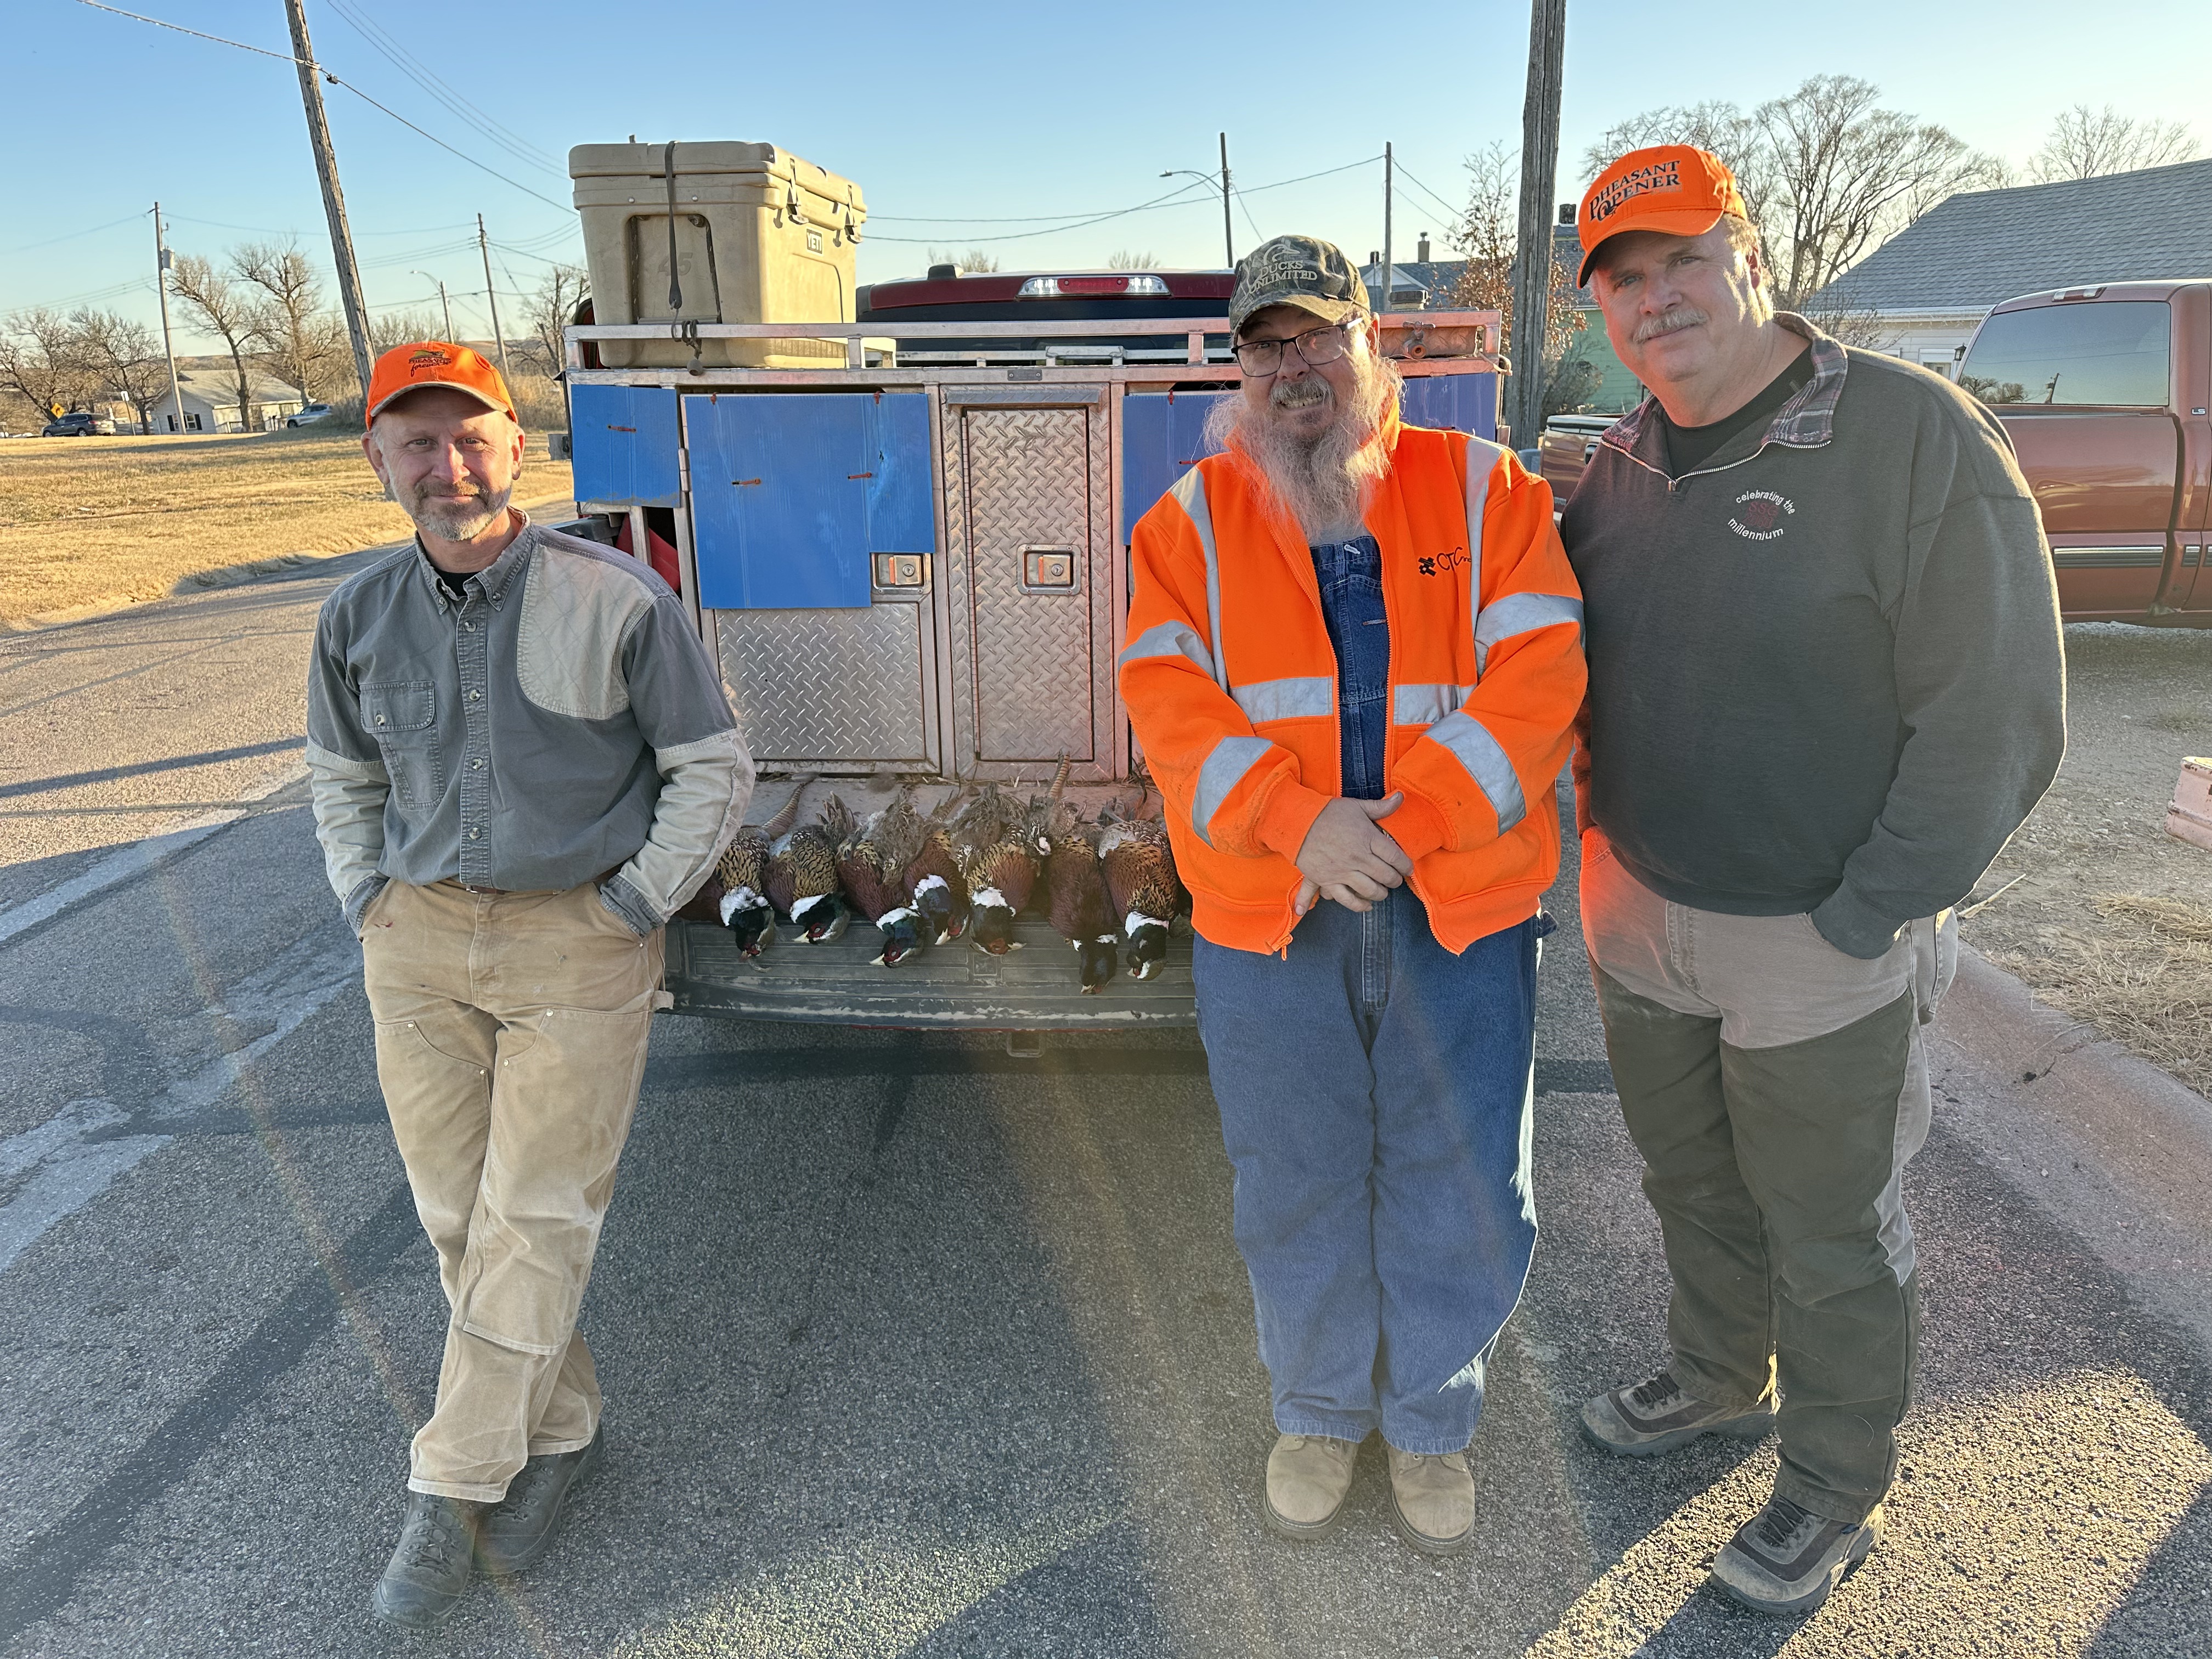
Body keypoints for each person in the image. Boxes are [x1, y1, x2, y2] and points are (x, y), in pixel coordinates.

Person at [1559, 147, 2065, 1613]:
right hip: (1641, 912)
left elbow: (1999, 711)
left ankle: (1835, 1482)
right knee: (1691, 1182)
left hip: (1817, 933)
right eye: (1623, 279)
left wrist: (1874, 907)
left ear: (1753, 256)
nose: (1657, 299)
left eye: (1683, 260)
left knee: (1830, 1228)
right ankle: (1720, 1375)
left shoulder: (1910, 436)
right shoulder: (1623, 460)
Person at [1119, 236, 1585, 1553]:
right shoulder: (1186, 526)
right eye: (1267, 345)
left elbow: (1541, 679)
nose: (1294, 367)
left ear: (1373, 345)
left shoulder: (1487, 491)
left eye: (1320, 335)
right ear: (1239, 367)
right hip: (1273, 919)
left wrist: (1411, 825)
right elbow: (1170, 705)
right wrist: (1299, 826)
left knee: (1463, 1177)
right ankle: (1319, 1414)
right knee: (1296, 1177)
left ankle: (1431, 1423)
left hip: (1458, 912)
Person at [305, 341, 751, 1629]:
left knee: (537, 1215)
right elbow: (343, 779)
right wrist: (368, 899)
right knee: (459, 1216)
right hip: (418, 940)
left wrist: (630, 906)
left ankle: (450, 1489)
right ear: (378, 459)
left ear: (517, 444)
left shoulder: (616, 599)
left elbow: (713, 766)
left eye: (470, 436)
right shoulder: (355, 616)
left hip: (577, 941)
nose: (446, 465)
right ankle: (560, 1433)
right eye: (416, 441)